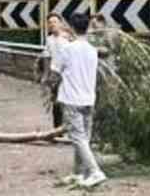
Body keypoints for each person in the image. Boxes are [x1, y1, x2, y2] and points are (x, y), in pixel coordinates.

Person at [50, 13, 106, 188]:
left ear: (72, 27)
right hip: (88, 99)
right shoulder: (92, 50)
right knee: (83, 139)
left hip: (72, 99)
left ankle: (95, 172)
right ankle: (78, 172)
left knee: (77, 138)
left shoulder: (67, 49)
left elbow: (55, 71)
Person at [37, 13, 71, 129]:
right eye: (50, 22)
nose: (52, 25)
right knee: (56, 103)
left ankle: (68, 128)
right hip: (55, 76)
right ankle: (57, 129)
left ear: (60, 23)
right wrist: (45, 75)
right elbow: (47, 57)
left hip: (68, 75)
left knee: (68, 103)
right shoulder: (49, 40)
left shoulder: (68, 38)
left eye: (55, 22)